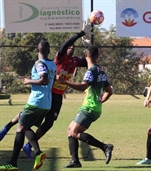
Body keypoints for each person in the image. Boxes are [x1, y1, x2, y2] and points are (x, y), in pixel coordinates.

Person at [0, 22, 93, 158]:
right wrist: (79, 34)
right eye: (69, 46)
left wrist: (88, 46)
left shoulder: (75, 61)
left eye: (73, 47)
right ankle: (6, 128)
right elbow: (63, 46)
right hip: (48, 93)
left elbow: (90, 60)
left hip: (57, 97)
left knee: (48, 123)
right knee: (28, 117)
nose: (71, 47)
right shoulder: (60, 58)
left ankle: (29, 145)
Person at [0, 40, 56, 171]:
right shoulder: (52, 64)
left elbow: (44, 79)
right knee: (24, 124)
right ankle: (37, 152)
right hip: (46, 104)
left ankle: (13, 163)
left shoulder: (39, 63)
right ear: (48, 51)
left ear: (37, 50)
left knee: (20, 129)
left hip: (36, 102)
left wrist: (28, 81)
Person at [58, 45, 113, 168]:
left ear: (86, 55)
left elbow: (83, 86)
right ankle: (75, 161)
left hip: (89, 108)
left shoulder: (91, 71)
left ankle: (105, 147)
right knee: (70, 131)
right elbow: (109, 91)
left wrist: (65, 81)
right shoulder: (101, 70)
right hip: (94, 108)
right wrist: (100, 101)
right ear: (97, 56)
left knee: (74, 132)